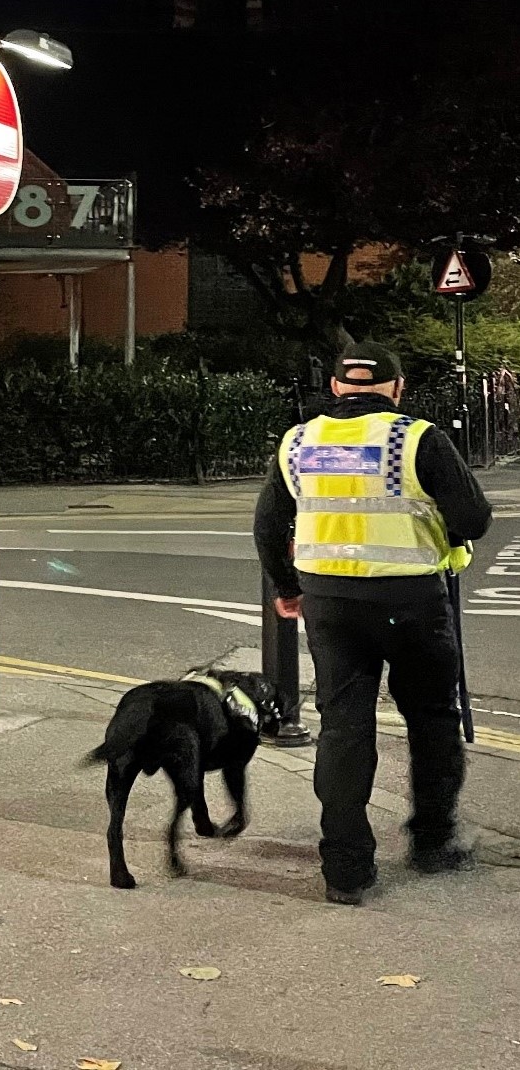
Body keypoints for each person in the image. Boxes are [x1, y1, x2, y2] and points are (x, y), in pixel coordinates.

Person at [254, 341, 492, 905]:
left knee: (343, 727)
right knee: (432, 719)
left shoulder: (298, 441)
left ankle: (345, 871)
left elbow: (268, 526)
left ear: (337, 388)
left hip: (330, 605)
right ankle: (433, 843)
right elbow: (474, 519)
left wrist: (288, 591)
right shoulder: (417, 439)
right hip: (411, 601)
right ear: (397, 388)